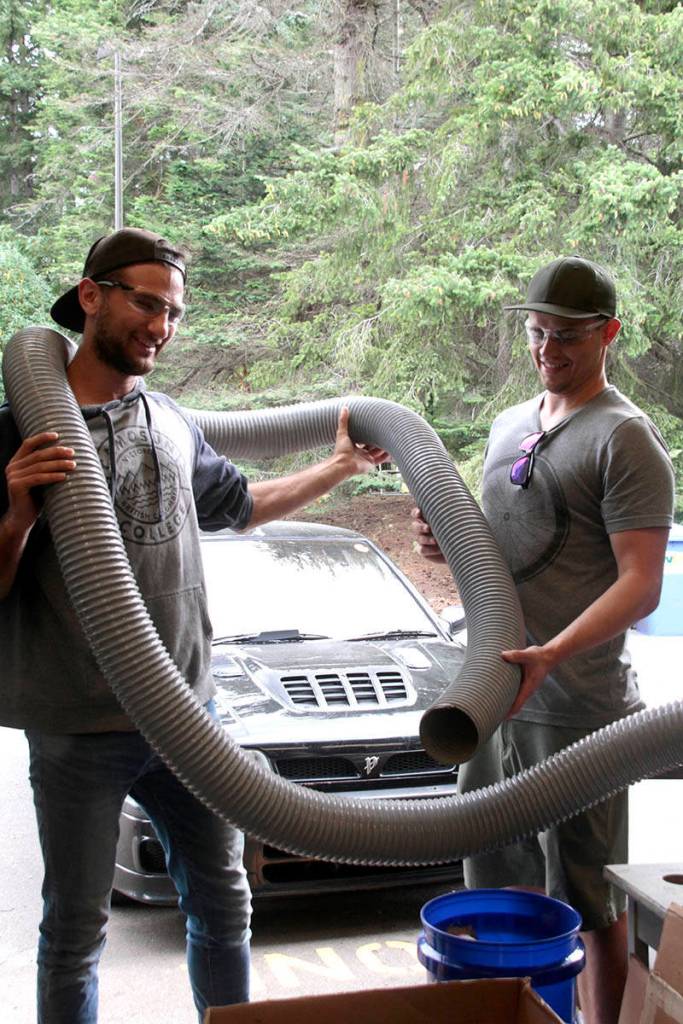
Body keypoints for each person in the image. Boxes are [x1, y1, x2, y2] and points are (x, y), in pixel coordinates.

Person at [0, 227, 389, 1024]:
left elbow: (243, 506)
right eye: (146, 304)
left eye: (174, 313)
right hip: (79, 729)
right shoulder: (13, 430)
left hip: (188, 717)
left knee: (223, 905)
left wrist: (340, 467)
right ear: (90, 296)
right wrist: (14, 517)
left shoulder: (171, 419)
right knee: (74, 932)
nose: (161, 328)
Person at [411, 256, 675, 1024]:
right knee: (495, 888)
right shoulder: (508, 425)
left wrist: (553, 651)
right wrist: (445, 544)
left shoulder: (624, 439)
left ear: (608, 335)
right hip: (492, 697)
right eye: (536, 333)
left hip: (578, 708)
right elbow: (497, 548)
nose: (547, 350)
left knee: (587, 899)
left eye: (565, 336)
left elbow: (640, 582)